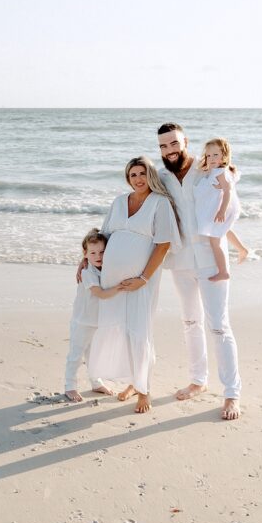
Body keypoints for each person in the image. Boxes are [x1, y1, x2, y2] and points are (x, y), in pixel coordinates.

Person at [157, 123, 242, 420]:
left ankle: (232, 394)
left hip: (209, 257)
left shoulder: (206, 169)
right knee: (190, 321)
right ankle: (198, 380)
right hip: (179, 259)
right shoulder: (162, 177)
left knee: (219, 325)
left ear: (185, 142)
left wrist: (236, 243)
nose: (169, 150)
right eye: (164, 146)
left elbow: (228, 204)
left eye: (174, 144)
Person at [86, 156, 181, 413]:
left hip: (140, 280)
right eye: (132, 175)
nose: (137, 179)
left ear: (150, 175)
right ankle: (132, 381)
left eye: (141, 174)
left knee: (139, 332)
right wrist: (83, 261)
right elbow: (101, 236)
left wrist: (143, 278)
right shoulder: (119, 202)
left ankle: (144, 389)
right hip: (112, 279)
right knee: (120, 330)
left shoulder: (160, 204)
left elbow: (163, 245)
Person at [64, 229, 121, 402]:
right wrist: (120, 287)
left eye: (102, 252)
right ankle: (70, 386)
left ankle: (96, 382)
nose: (98, 256)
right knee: (76, 353)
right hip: (83, 320)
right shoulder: (88, 272)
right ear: (85, 254)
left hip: (97, 321)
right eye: (93, 253)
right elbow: (100, 293)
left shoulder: (104, 269)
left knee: (94, 354)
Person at [195, 137, 251, 281]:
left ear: (224, 156)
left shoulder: (220, 172)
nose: (211, 158)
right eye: (208, 155)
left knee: (215, 241)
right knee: (224, 229)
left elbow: (228, 191)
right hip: (225, 207)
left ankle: (223, 272)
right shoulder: (222, 170)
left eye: (215, 155)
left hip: (224, 208)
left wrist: (221, 211)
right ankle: (242, 249)